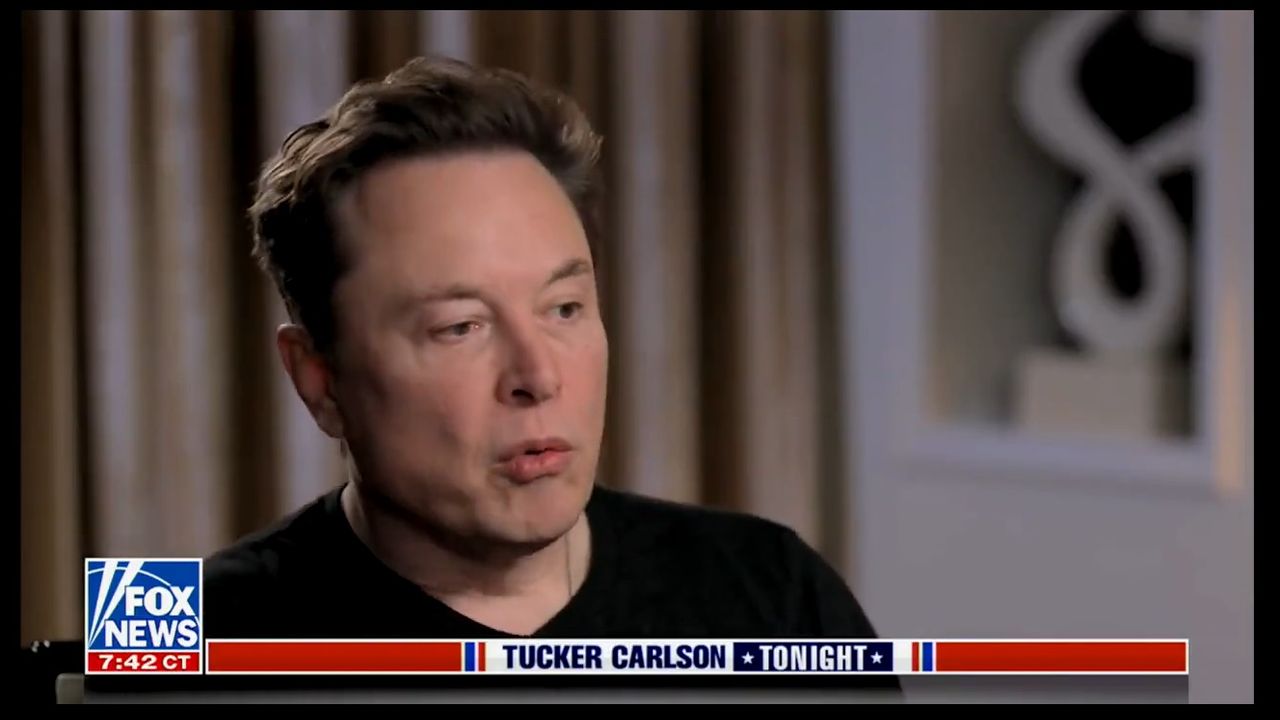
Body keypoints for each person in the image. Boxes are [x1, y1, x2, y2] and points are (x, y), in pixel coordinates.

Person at [203, 56, 898, 691]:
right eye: (460, 326)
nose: (538, 376)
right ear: (319, 379)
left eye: (564, 309)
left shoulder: (773, 590)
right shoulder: (174, 632)